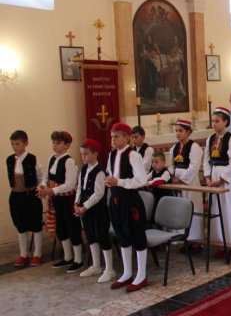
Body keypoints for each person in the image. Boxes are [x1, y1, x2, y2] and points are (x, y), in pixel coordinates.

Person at [105, 123, 148, 292]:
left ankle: (141, 275)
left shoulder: (133, 155)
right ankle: (127, 272)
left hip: (130, 201)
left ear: (127, 138)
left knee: (136, 235)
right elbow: (111, 174)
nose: (113, 140)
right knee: (122, 236)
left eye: (116, 137)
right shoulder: (112, 154)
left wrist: (120, 182)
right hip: (116, 199)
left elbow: (142, 180)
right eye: (112, 137)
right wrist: (109, 181)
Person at [38, 131, 83, 273]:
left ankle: (78, 260)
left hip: (68, 199)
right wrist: (43, 186)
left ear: (67, 145)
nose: (54, 146)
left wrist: (51, 190)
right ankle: (68, 257)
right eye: (53, 143)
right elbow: (46, 176)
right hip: (56, 199)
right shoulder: (52, 158)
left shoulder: (69, 161)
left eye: (58, 143)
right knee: (61, 227)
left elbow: (70, 184)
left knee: (72, 227)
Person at [203, 107, 231, 250]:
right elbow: (206, 159)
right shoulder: (210, 139)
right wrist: (207, 177)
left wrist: (221, 180)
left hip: (228, 179)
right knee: (216, 209)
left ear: (226, 122)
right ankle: (218, 241)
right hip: (213, 176)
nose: (214, 124)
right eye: (213, 121)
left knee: (228, 210)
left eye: (217, 121)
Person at [73, 138, 115, 283]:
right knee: (91, 236)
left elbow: (98, 194)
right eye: (82, 154)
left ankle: (109, 269)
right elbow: (80, 188)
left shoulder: (100, 172)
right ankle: (96, 265)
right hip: (86, 210)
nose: (83, 157)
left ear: (95, 154)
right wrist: (76, 203)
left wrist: (84, 206)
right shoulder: (84, 169)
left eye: (86, 154)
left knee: (102, 237)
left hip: (98, 211)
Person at [6, 130, 43, 267]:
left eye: (17, 144)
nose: (15, 147)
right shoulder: (10, 160)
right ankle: (23, 254)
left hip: (30, 195)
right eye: (12, 144)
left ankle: (37, 254)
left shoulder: (32, 159)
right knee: (20, 225)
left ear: (25, 143)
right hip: (16, 195)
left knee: (35, 224)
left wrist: (38, 189)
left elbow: (40, 177)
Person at [170, 119, 204, 244]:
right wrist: (172, 176)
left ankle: (194, 239)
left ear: (188, 132)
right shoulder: (174, 147)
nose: (178, 133)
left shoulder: (194, 147)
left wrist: (181, 180)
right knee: (179, 210)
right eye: (176, 131)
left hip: (189, 182)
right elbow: (171, 165)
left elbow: (194, 167)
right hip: (176, 180)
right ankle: (181, 238)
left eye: (180, 131)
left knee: (192, 209)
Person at [146, 149, 173, 217]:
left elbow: (160, 181)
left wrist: (149, 182)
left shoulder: (166, 173)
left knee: (164, 216)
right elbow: (145, 178)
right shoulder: (153, 172)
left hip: (166, 199)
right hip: (156, 198)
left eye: (156, 162)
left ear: (164, 163)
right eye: (152, 162)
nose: (154, 164)